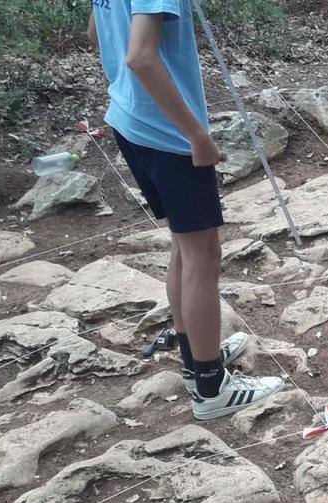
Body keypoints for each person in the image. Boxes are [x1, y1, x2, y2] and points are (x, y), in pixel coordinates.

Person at [90, 0, 282, 420]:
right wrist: (197, 135)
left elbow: (95, 32)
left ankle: (196, 355)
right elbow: (140, 57)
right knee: (203, 255)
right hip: (166, 132)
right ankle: (211, 388)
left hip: (130, 118)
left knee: (184, 245)